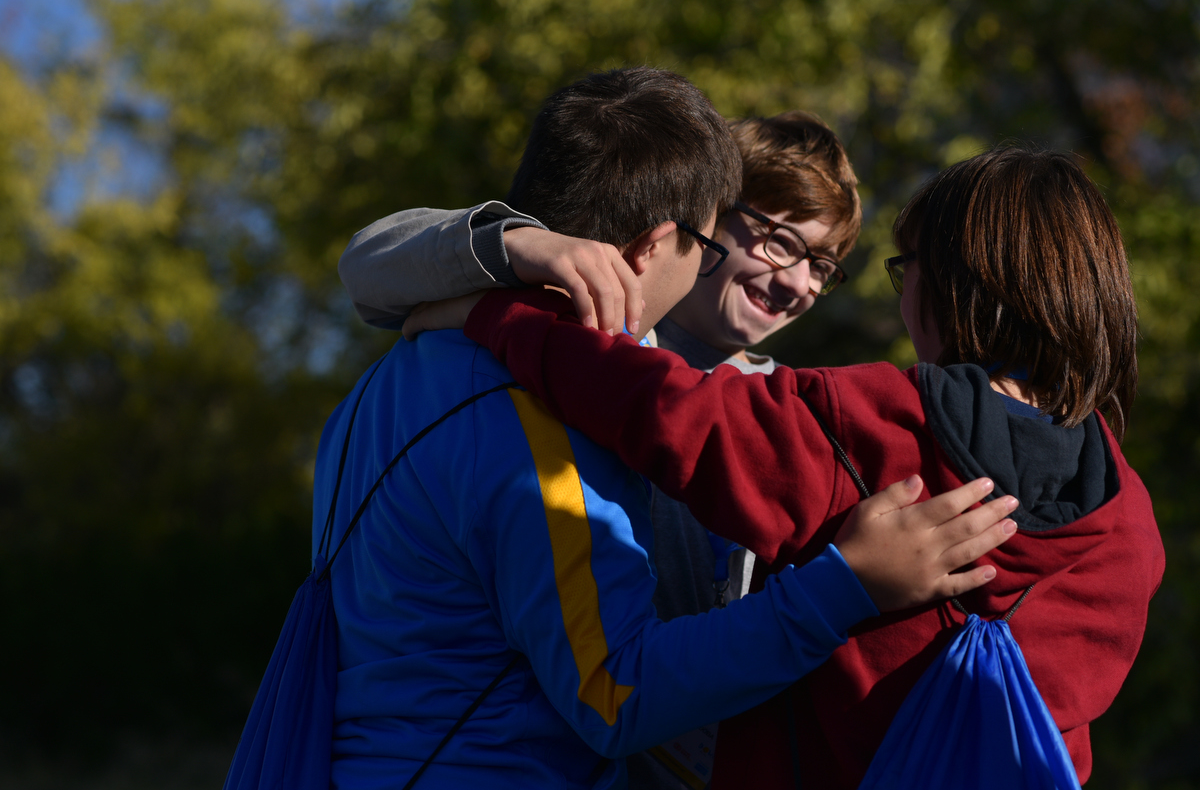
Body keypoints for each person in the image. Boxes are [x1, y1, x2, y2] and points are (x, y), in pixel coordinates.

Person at [317, 67, 1016, 790]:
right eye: (775, 240)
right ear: (678, 230)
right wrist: (514, 248)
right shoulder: (549, 391)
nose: (800, 281)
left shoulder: (427, 358)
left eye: (825, 266)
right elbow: (617, 689)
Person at [407, 146, 1166, 787]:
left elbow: (663, 408)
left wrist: (495, 310)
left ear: (949, 285)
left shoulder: (875, 426)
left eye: (906, 274)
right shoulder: (1131, 527)